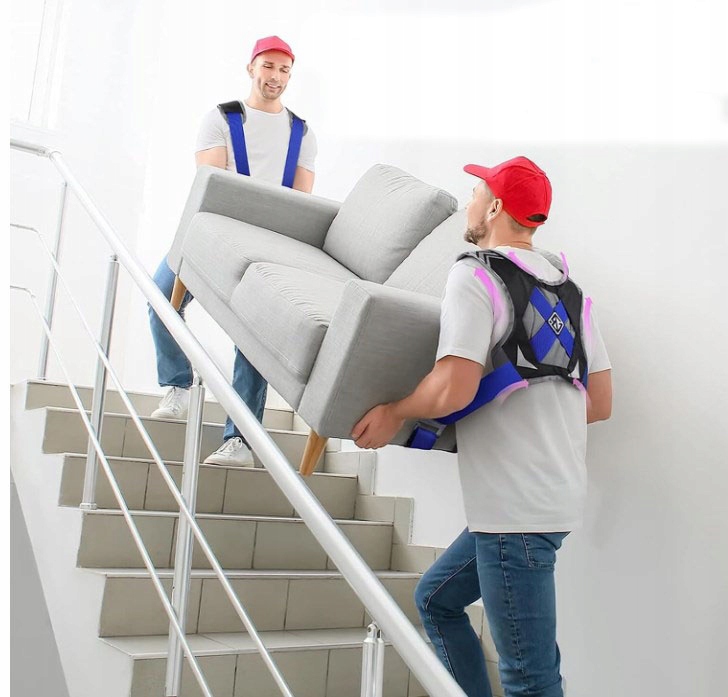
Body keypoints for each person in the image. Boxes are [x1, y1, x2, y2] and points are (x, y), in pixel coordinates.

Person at [351, 156, 612, 697]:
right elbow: (599, 402)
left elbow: (454, 386)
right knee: (436, 600)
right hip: (553, 498)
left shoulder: (475, 274)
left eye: (475, 192)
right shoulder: (571, 292)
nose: (468, 202)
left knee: (530, 679)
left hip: (514, 512)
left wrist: (397, 411)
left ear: (494, 208)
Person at [149, 35, 317, 466]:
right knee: (161, 296)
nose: (275, 76)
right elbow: (211, 185)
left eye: (284, 69)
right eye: (268, 66)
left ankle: (240, 440)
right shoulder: (221, 118)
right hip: (210, 231)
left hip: (267, 243)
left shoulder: (301, 132)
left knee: (254, 338)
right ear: (251, 68)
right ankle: (177, 385)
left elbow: (299, 203)